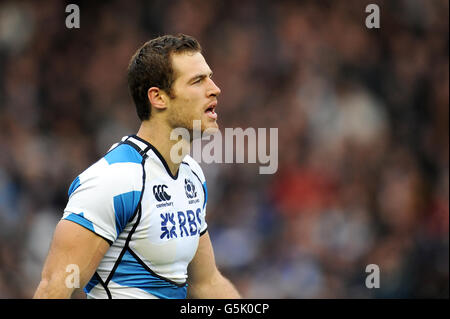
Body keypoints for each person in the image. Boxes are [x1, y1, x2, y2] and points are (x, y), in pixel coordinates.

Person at [33, 34, 241, 299]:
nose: (214, 88)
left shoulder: (191, 174)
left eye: (209, 77)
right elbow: (55, 287)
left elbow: (207, 283)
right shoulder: (115, 180)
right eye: (197, 81)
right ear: (158, 98)